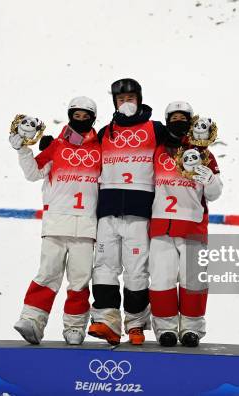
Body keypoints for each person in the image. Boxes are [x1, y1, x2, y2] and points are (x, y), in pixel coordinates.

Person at [88, 78, 174, 346]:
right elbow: (79, 148)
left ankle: (136, 323)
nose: (126, 104)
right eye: (121, 100)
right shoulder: (104, 132)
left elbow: (179, 141)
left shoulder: (155, 129)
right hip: (108, 210)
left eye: (131, 99)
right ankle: (106, 320)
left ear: (139, 99)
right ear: (114, 103)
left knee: (137, 270)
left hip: (139, 211)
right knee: (104, 266)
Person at [10, 96, 101, 345]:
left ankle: (74, 327)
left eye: (85, 116)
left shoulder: (101, 147)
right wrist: (23, 149)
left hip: (86, 226)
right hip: (56, 223)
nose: (80, 120)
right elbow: (32, 173)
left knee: (80, 279)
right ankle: (32, 320)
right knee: (48, 273)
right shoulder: (57, 145)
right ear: (70, 115)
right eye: (76, 115)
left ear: (93, 118)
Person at [148, 101, 223, 347]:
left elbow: (214, 193)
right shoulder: (157, 151)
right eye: (174, 117)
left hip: (192, 227)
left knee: (194, 281)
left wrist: (210, 179)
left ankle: (192, 328)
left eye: (183, 117)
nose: (178, 121)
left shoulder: (204, 154)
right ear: (167, 120)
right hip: (162, 226)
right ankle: (165, 329)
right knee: (161, 280)